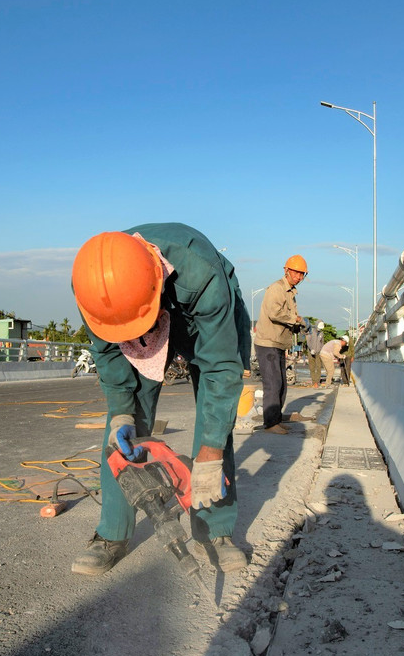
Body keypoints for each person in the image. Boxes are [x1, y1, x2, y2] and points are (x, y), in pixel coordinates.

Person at [70, 225, 251, 577]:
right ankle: (112, 533)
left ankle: (213, 530)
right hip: (137, 314)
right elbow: (108, 352)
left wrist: (210, 453)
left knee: (217, 414)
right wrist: (122, 411)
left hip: (200, 315)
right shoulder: (91, 285)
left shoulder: (203, 275)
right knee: (126, 420)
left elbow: (220, 370)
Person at [252, 254, 307, 433]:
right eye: (296, 273)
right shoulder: (277, 289)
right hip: (267, 342)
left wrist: (298, 326)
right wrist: (296, 319)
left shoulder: (291, 293)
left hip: (278, 343)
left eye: (302, 274)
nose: (299, 277)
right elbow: (274, 313)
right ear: (286, 271)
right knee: (273, 383)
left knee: (282, 383)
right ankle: (270, 423)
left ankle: (275, 419)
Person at [305, 320, 325, 388]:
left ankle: (317, 381)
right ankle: (314, 382)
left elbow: (322, 343)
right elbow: (308, 342)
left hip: (318, 352)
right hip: (311, 352)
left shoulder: (321, 333)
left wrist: (322, 350)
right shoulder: (311, 331)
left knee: (319, 367)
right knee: (312, 367)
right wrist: (311, 349)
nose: (319, 329)